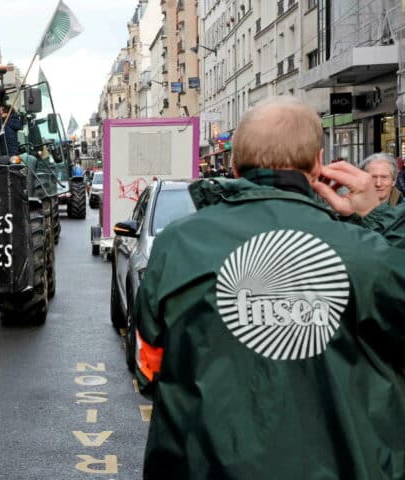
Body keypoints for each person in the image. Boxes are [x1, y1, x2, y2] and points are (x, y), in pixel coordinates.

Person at [134, 96, 405, 479]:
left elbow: (149, 367)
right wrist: (377, 216)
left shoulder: (178, 244)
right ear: (318, 164)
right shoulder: (366, 254)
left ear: (233, 164)